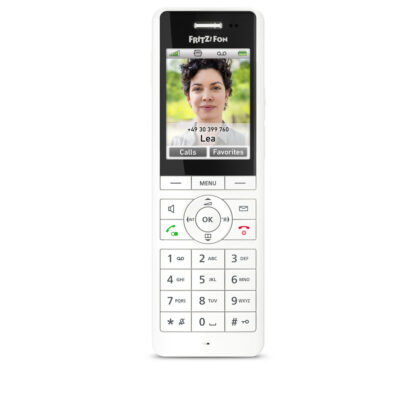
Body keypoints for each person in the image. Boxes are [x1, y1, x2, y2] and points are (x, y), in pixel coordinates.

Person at [171, 59, 246, 146]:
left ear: (226, 95)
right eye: (197, 88)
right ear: (188, 98)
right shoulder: (175, 144)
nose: (206, 97)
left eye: (216, 88)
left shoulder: (244, 142)